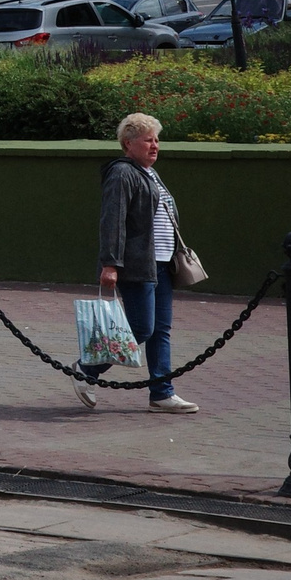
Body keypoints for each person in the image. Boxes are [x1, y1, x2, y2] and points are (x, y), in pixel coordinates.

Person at [91, 110, 198, 413]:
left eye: (156, 140)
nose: (155, 146)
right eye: (147, 140)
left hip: (161, 264)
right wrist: (110, 264)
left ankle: (162, 393)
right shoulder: (123, 173)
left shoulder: (149, 173)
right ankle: (85, 370)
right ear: (128, 143)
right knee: (140, 330)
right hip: (138, 265)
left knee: (160, 330)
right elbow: (113, 221)